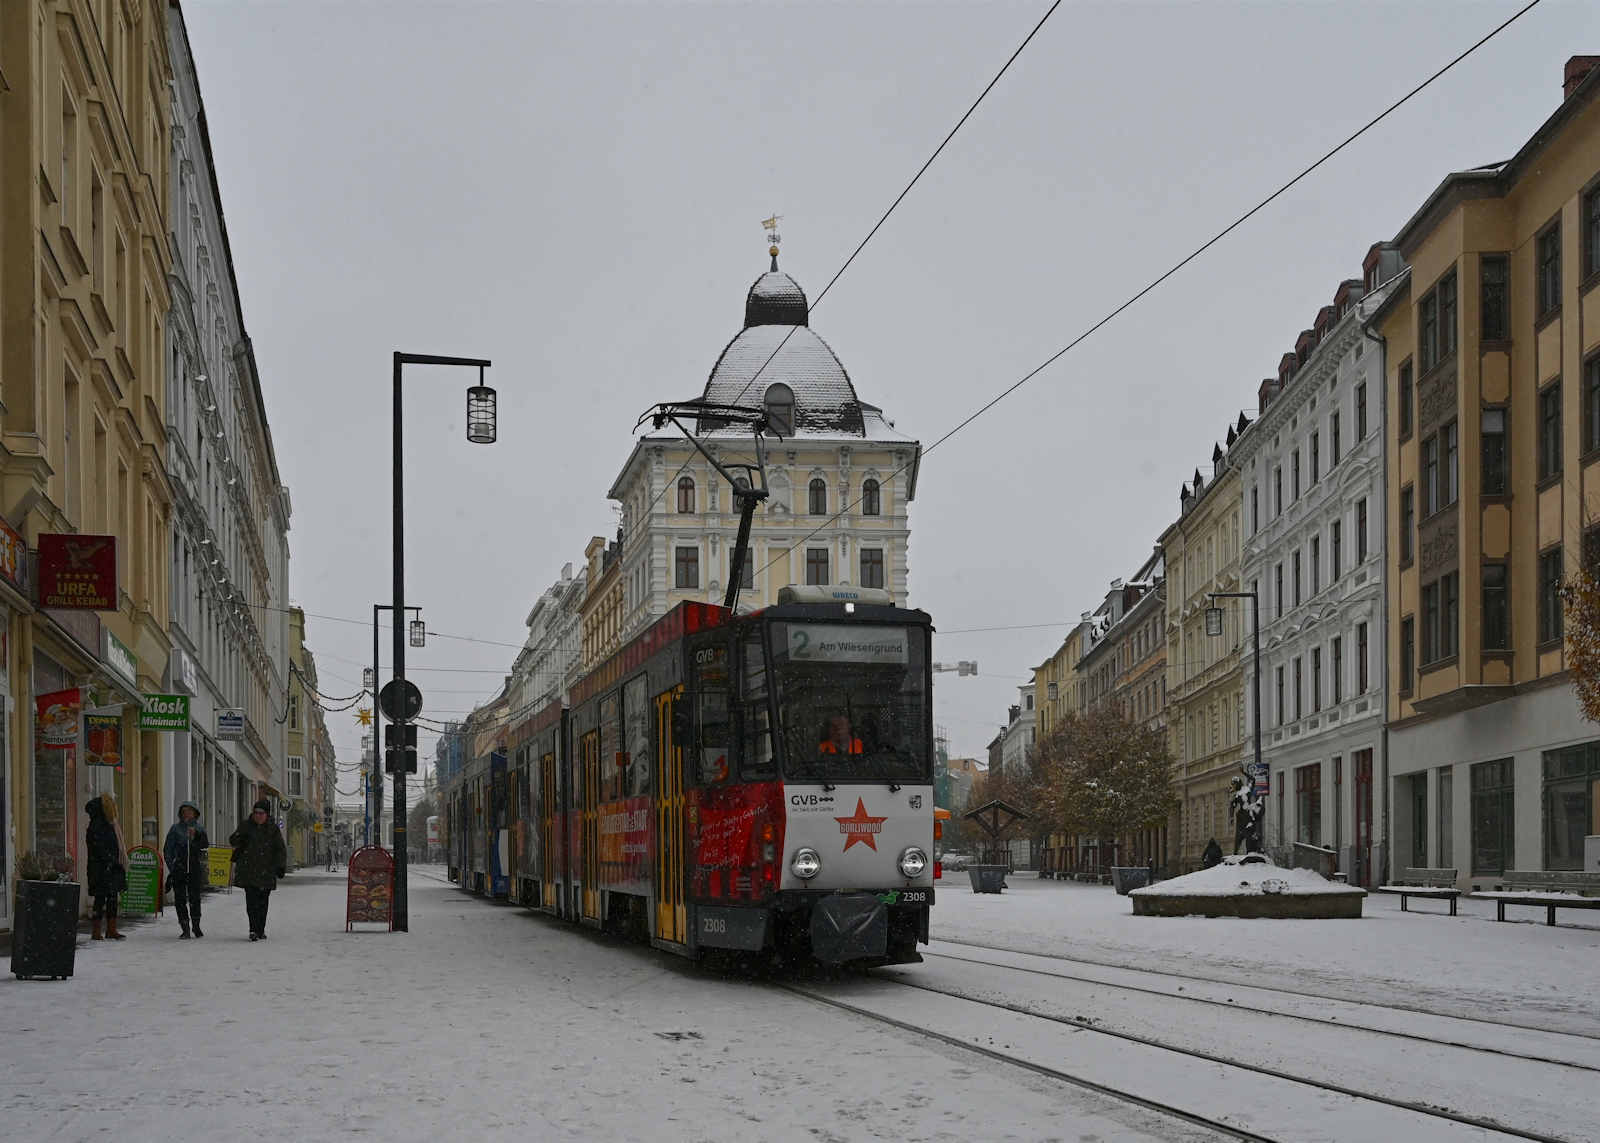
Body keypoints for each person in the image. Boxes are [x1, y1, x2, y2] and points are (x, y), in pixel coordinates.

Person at [230, 800, 287, 941]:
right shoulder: (246, 826)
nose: (258, 816)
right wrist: (239, 835)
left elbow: (280, 848)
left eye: (261, 813)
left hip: (266, 870)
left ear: (267, 814)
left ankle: (261, 928)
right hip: (248, 870)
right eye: (256, 813)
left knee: (263, 901)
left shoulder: (273, 829)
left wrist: (280, 866)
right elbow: (233, 840)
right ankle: (253, 929)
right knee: (251, 901)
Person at [84, 794, 127, 940]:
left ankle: (111, 929)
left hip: (108, 868)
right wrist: (113, 862)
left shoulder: (109, 824)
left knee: (112, 898)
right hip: (101, 868)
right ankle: (97, 930)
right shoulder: (96, 825)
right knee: (100, 899)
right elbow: (99, 848)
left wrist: (114, 863)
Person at [163, 801, 209, 938]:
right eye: (184, 811)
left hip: (194, 868)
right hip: (179, 868)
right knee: (180, 899)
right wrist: (172, 867)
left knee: (195, 898)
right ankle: (184, 927)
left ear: (195, 813)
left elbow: (204, 845)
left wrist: (197, 835)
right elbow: (168, 850)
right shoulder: (175, 829)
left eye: (189, 810)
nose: (186, 813)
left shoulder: (200, 829)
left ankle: (196, 925)